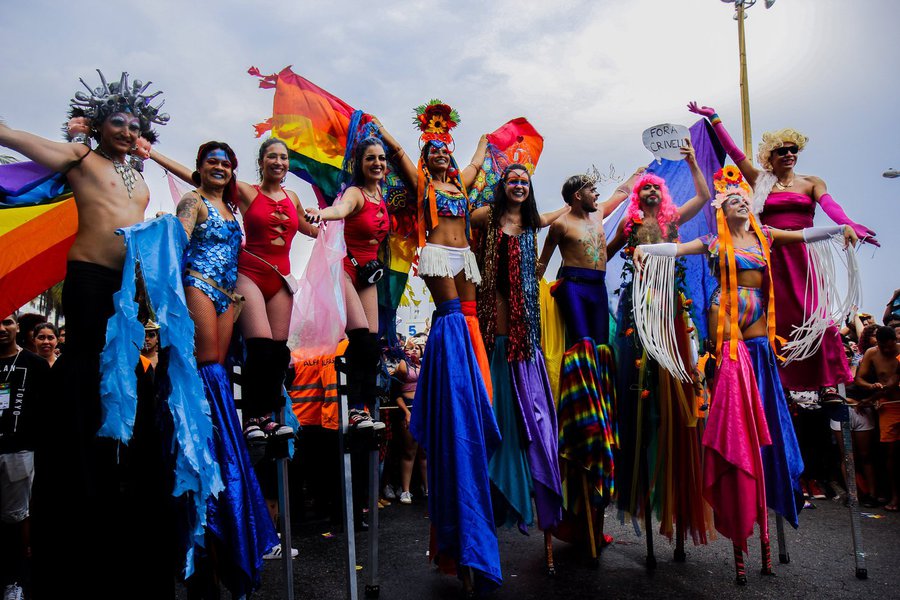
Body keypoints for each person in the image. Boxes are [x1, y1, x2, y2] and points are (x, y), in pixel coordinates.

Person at [634, 166, 858, 584]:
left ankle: (767, 544)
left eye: (743, 197)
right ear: (722, 209)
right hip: (732, 338)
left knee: (768, 429)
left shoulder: (765, 236)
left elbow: (806, 236)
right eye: (731, 198)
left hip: (760, 343)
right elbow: (674, 251)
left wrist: (840, 229)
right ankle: (741, 543)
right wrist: (649, 252)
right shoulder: (714, 242)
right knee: (740, 431)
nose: (739, 200)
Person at [0, 70, 173, 598]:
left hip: (127, 293)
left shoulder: (139, 178)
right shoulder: (81, 159)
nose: (125, 129)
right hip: (89, 280)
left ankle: (119, 471)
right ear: (97, 126)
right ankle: (83, 477)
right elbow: (28, 144)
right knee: (86, 372)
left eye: (133, 123)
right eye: (116, 121)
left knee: (121, 378)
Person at [688, 101, 876, 401]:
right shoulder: (761, 181)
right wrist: (714, 118)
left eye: (793, 150)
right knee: (779, 319)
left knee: (818, 318)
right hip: (772, 256)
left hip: (803, 255)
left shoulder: (811, 182)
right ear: (770, 157)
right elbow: (736, 154)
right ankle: (784, 386)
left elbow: (830, 206)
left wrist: (848, 223)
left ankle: (826, 384)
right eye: (782, 151)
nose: (789, 155)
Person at [148, 137, 318, 442]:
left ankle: (266, 415)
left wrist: (337, 217)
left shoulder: (292, 197)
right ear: (262, 162)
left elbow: (311, 227)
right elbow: (198, 179)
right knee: (260, 347)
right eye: (272, 157)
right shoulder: (244, 192)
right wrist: (152, 154)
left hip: (280, 279)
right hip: (247, 275)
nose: (279, 162)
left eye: (283, 158)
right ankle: (249, 417)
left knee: (279, 353)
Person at [402, 100, 502, 595]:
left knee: (468, 320)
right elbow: (401, 153)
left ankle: (469, 367)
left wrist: (484, 142)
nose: (442, 158)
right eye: (435, 152)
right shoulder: (423, 185)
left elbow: (480, 165)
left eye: (447, 151)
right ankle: (455, 368)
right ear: (427, 156)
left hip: (464, 254)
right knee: (450, 322)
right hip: (438, 253)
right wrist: (383, 129)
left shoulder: (460, 185)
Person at [176, 141, 278, 598]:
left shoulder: (233, 207)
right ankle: (209, 441)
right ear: (199, 169)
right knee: (207, 368)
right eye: (210, 162)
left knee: (219, 367)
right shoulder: (192, 201)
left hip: (227, 293)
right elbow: (177, 245)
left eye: (225, 163)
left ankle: (227, 440)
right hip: (198, 283)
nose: (218, 167)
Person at [607, 142, 712, 558]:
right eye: (645, 190)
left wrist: (690, 161)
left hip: (670, 305)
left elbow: (704, 197)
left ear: (663, 195)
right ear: (638, 196)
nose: (651, 194)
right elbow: (607, 251)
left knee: (675, 389)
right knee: (638, 388)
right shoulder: (630, 226)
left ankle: (678, 515)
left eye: (656, 189)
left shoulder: (672, 221)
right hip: (638, 306)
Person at [534, 166, 641, 555]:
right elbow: (544, 263)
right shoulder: (561, 224)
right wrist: (532, 296)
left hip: (597, 288)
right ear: (577, 195)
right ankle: (581, 404)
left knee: (602, 352)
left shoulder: (597, 216)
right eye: (592, 190)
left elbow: (623, 194)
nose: (598, 195)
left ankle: (601, 404)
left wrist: (640, 173)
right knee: (583, 353)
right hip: (574, 287)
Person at [304, 132, 406, 430]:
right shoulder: (355, 193)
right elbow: (341, 211)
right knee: (361, 337)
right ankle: (355, 409)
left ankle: (362, 407)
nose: (377, 163)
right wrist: (322, 213)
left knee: (372, 344)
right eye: (370, 158)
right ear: (360, 164)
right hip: (345, 270)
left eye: (381, 159)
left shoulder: (381, 196)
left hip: (367, 275)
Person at [0, 314, 49, 600]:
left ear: (19, 327)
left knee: (17, 522)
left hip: (21, 452)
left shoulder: (35, 365)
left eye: (7, 321)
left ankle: (14, 580)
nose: (2, 329)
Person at [854, 326, 900, 512]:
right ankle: (893, 495)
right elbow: (859, 379)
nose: (888, 351)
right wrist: (872, 387)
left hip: (890, 400)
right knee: (890, 454)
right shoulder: (872, 353)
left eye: (891, 347)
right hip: (887, 407)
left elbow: (892, 383)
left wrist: (868, 400)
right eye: (884, 347)